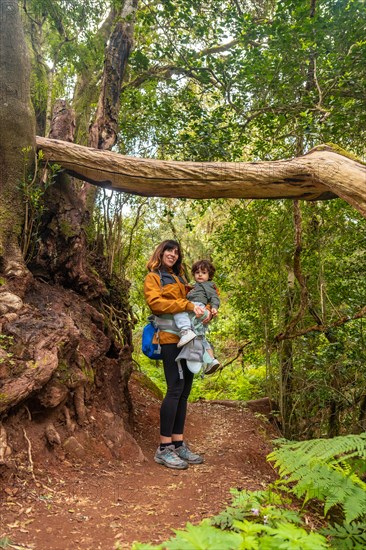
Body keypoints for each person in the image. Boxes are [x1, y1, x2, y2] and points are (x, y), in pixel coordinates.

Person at [144, 240, 211, 470]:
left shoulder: (181, 279)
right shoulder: (154, 278)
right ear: (161, 252)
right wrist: (187, 305)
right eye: (169, 250)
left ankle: (178, 442)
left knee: (184, 391)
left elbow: (193, 302)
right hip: (171, 340)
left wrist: (205, 308)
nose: (172, 254)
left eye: (176, 251)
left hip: (191, 339)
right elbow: (156, 304)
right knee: (175, 387)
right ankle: (164, 448)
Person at [173, 259, 220, 375]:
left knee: (178, 311)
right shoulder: (194, 286)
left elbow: (214, 297)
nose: (200, 275)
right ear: (193, 274)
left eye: (203, 273)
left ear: (209, 276)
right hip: (198, 309)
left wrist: (214, 307)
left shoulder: (208, 285)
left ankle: (185, 331)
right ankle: (211, 360)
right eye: (197, 272)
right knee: (200, 336)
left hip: (197, 307)